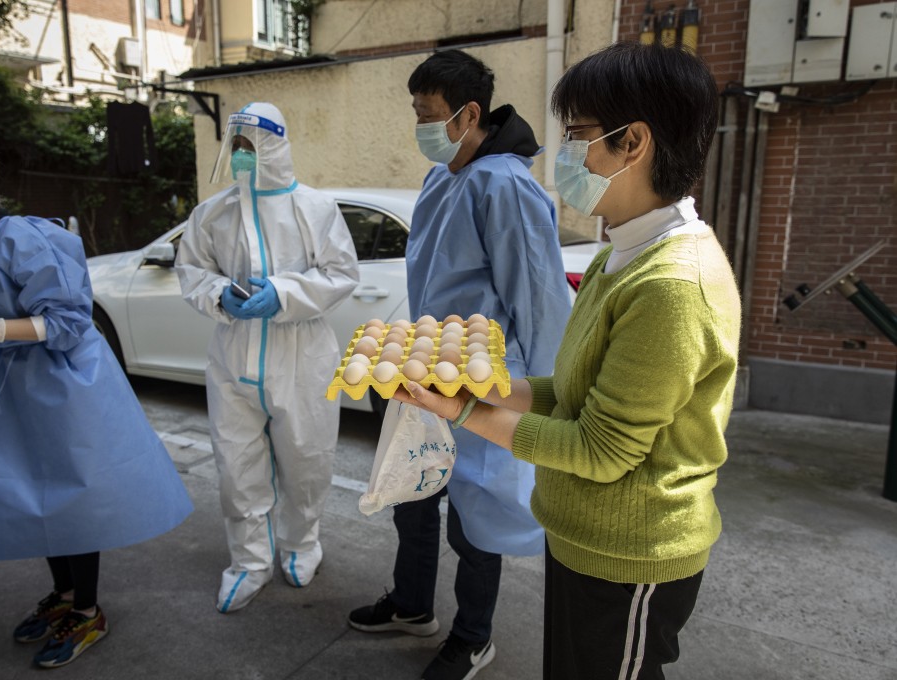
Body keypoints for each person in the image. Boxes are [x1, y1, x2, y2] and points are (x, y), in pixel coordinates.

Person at [393, 42, 742, 680]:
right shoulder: (622, 254)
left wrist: (468, 409)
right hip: (584, 535)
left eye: (578, 135)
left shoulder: (672, 285)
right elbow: (574, 388)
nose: (564, 155)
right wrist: (485, 386)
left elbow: (602, 448)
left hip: (631, 551)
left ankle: (471, 635)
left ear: (633, 141)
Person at [0, 150, 193, 669]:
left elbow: (69, 323)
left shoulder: (27, 240)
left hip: (67, 383)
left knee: (72, 497)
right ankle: (62, 595)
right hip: (18, 384)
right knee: (35, 495)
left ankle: (87, 611)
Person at [347, 50, 572, 680]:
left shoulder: (506, 183)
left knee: (476, 511)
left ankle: (473, 636)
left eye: (428, 115)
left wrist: (548, 393)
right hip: (431, 366)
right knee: (413, 492)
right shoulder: (445, 174)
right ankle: (413, 605)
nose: (419, 126)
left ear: (468, 114)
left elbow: (539, 294)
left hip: (486, 373)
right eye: (415, 113)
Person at [175, 102, 359, 613]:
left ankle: (302, 545)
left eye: (249, 146)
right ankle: (249, 562)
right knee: (236, 467)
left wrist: (282, 292)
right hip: (234, 354)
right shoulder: (212, 213)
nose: (241, 157)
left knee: (307, 461)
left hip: (301, 354)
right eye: (235, 147)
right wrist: (217, 294)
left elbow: (341, 274)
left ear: (275, 146)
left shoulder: (316, 209)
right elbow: (191, 270)